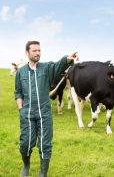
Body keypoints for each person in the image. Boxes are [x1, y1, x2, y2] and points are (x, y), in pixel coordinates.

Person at [14, 40, 78, 177]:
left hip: (44, 113)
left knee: (45, 145)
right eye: (34, 51)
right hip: (27, 113)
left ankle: (43, 173)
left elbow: (59, 65)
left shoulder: (47, 68)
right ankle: (26, 165)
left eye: (39, 50)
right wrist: (21, 109)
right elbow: (18, 92)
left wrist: (68, 58)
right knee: (25, 143)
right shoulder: (21, 72)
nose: (38, 53)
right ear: (27, 52)